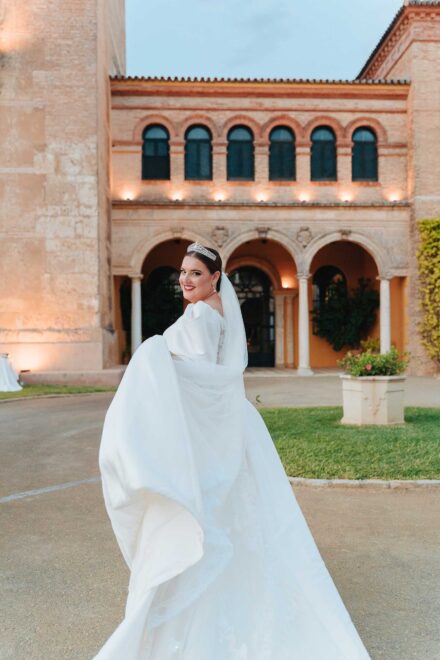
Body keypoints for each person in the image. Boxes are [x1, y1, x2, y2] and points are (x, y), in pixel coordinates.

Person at [94, 242, 371, 659]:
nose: (186, 279)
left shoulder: (203, 314)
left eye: (196, 274)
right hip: (226, 425)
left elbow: (205, 376)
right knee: (237, 516)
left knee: (208, 515)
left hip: (209, 427)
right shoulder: (211, 311)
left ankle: (196, 615)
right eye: (183, 272)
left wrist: (155, 353)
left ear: (215, 279)